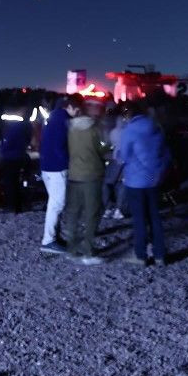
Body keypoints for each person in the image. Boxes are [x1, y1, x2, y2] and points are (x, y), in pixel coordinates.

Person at [118, 102, 171, 266]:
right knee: (155, 217)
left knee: (140, 219)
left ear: (128, 115)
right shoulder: (156, 127)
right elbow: (166, 152)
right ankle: (160, 255)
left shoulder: (129, 131)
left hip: (136, 181)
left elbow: (123, 156)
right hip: (154, 179)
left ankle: (140, 255)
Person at [64, 96, 109, 264]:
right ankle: (88, 253)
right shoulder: (95, 129)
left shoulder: (71, 128)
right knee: (91, 213)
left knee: (73, 212)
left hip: (74, 174)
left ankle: (71, 249)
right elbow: (101, 149)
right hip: (91, 175)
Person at [39, 97, 75, 254]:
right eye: (77, 109)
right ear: (70, 107)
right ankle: (49, 241)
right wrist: (69, 163)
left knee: (54, 203)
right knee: (57, 204)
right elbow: (61, 146)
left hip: (46, 166)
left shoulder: (52, 118)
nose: (78, 112)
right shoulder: (64, 120)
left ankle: (54, 237)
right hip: (57, 168)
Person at [0, 108, 32, 213]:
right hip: (19, 156)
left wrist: (2, 150)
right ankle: (18, 206)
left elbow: (7, 144)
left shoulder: (13, 129)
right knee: (16, 183)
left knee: (10, 183)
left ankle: (11, 206)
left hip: (10, 158)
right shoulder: (24, 127)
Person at [102, 112, 128, 220]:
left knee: (107, 183)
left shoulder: (113, 132)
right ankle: (118, 209)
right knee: (121, 185)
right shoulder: (128, 132)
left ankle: (107, 208)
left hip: (114, 159)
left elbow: (108, 144)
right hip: (124, 160)